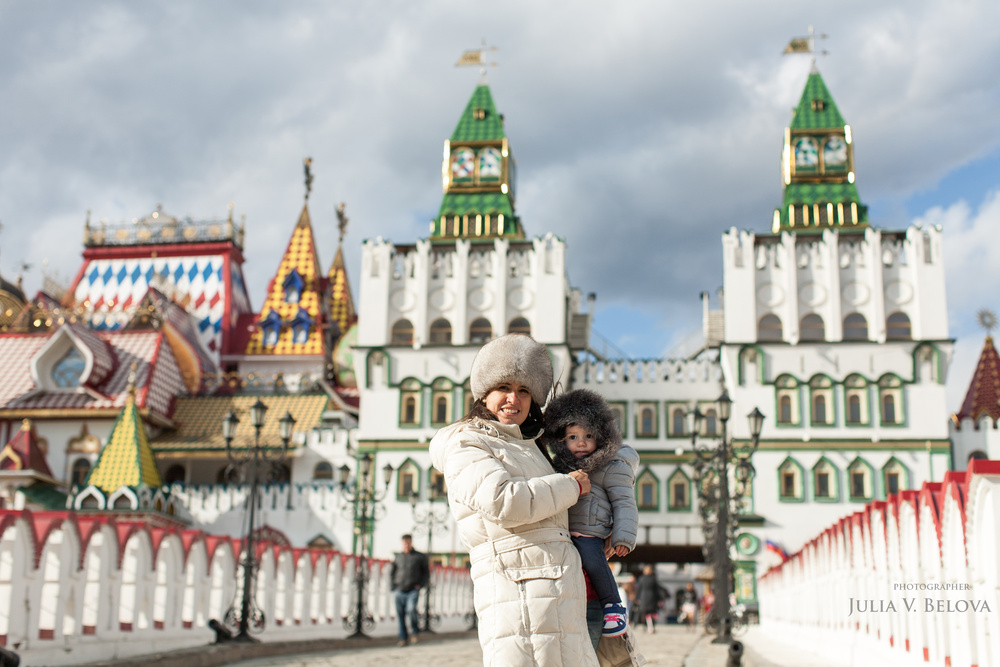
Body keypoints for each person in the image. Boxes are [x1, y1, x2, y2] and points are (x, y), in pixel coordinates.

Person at [429, 334, 599, 666]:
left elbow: (548, 518)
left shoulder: (528, 446)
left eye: (524, 391)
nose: (513, 398)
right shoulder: (466, 443)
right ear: (484, 395)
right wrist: (571, 487)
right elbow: (504, 502)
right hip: (517, 593)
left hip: (555, 593)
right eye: (503, 388)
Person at [542, 389, 639, 638]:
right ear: (562, 440)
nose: (581, 442)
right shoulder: (560, 466)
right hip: (563, 531)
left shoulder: (612, 467)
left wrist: (623, 537)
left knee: (593, 561)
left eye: (588, 436)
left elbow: (625, 503)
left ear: (602, 437)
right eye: (573, 436)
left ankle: (613, 604)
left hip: (590, 531)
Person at [390, 533, 429, 647]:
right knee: (400, 614)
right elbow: (392, 572)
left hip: (412, 589)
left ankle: (415, 631)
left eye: (408, 542)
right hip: (399, 590)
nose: (406, 544)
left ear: (411, 542)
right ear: (402, 543)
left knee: (411, 610)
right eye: (404, 543)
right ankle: (403, 638)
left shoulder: (419, 557)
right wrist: (393, 586)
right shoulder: (398, 557)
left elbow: (426, 573)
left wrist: (420, 585)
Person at [634, 564, 667, 634]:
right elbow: (657, 590)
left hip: (643, 598)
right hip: (652, 598)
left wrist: (637, 599)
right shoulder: (653, 579)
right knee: (651, 613)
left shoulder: (641, 579)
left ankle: (645, 626)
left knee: (644, 613)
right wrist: (659, 599)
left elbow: (639, 590)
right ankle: (651, 626)